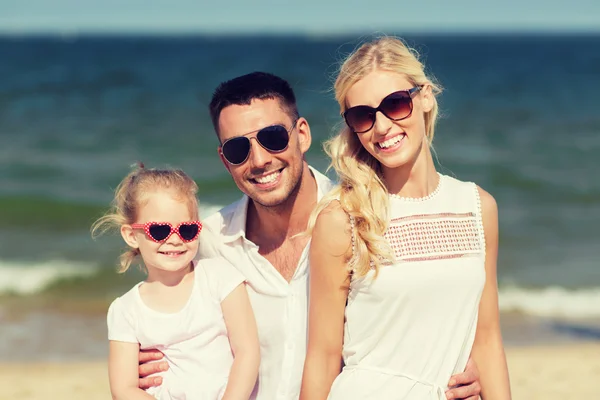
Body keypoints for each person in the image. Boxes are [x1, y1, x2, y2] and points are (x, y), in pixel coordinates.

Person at [137, 72, 483, 399]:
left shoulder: (364, 223)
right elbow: (162, 326)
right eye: (238, 149)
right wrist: (142, 360)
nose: (259, 160)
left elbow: (422, 314)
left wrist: (464, 371)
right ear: (225, 160)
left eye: (273, 138)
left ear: (302, 134)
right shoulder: (205, 243)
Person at [299, 37, 511, 400]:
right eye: (363, 116)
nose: (381, 127)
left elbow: (488, 339)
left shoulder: (478, 207)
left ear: (425, 97)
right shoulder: (343, 219)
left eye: (395, 104)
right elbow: (322, 356)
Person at [92, 165, 260, 400]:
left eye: (187, 230)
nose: (175, 240)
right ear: (132, 235)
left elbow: (248, 352)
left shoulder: (220, 277)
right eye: (159, 230)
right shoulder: (125, 310)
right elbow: (124, 389)